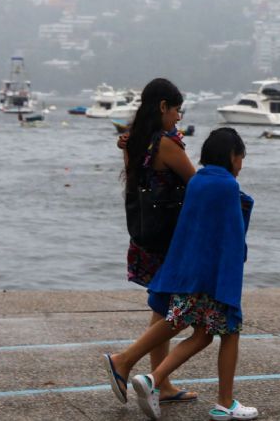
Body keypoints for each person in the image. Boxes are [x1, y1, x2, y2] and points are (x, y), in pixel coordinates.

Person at [111, 128, 257, 421]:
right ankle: (224, 403)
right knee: (230, 332)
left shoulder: (198, 182)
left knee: (199, 333)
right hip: (214, 281)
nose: (241, 164)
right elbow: (230, 239)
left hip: (187, 275)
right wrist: (230, 288)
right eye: (241, 157)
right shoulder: (227, 186)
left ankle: (152, 379)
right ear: (232, 156)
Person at [104, 78, 198, 406]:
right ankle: (125, 360)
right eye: (176, 110)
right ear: (162, 107)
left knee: (163, 307)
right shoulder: (166, 145)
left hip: (146, 238)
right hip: (172, 240)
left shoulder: (135, 144)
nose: (178, 118)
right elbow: (198, 184)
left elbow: (135, 183)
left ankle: (162, 383)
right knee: (182, 309)